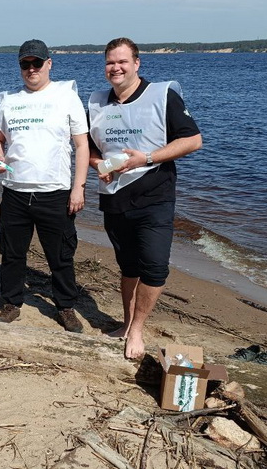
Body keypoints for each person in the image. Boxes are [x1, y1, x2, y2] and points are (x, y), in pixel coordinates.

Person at [87, 37, 202, 359]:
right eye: (111, 62)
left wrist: (147, 158)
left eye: (123, 61)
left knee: (154, 268)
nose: (116, 68)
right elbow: (91, 148)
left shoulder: (162, 95)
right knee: (128, 267)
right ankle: (126, 324)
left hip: (155, 194)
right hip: (113, 197)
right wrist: (99, 165)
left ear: (137, 64)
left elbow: (193, 140)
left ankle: (137, 329)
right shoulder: (96, 102)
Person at [0, 39, 89, 333]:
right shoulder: (9, 101)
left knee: (60, 256)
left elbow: (82, 145)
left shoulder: (66, 96)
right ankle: (11, 303)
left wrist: (78, 188)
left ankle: (66, 307)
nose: (31, 69)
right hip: (15, 192)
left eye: (36, 63)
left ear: (49, 64)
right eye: (25, 64)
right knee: (12, 253)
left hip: (54, 193)